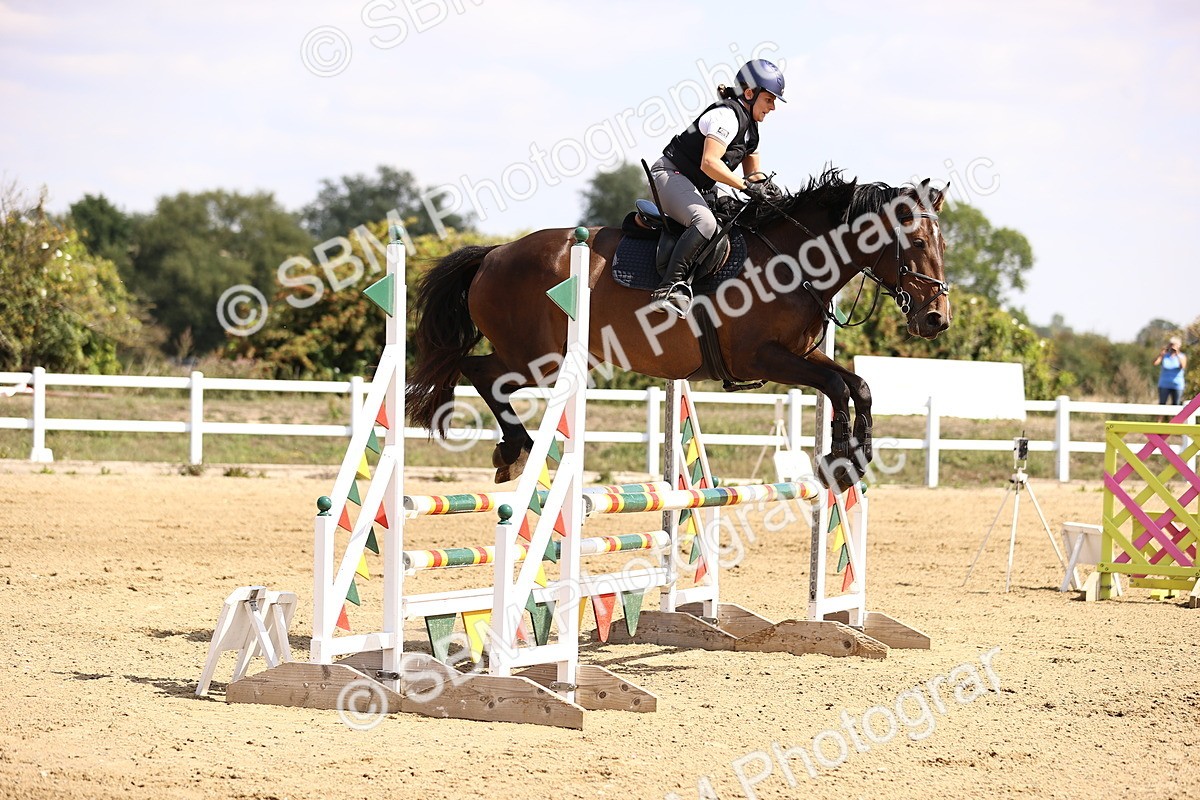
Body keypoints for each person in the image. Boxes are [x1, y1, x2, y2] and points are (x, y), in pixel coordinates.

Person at [648, 59, 786, 315]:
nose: (773, 107)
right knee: (705, 222)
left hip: (699, 185)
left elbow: (753, 175)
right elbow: (710, 163)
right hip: (669, 174)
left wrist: (769, 191)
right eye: (769, 99)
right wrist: (746, 187)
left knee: (736, 216)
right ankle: (668, 288)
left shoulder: (752, 131)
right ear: (750, 93)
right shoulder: (726, 116)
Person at [1153, 336, 1187, 404]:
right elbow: (1155, 363)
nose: (1172, 347)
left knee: (1176, 404)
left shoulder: (1182, 356)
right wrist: (1161, 354)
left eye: (1174, 345)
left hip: (1177, 385)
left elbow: (1182, 366)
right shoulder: (1165, 355)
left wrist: (1177, 354)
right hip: (1164, 384)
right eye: (1171, 344)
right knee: (1162, 404)